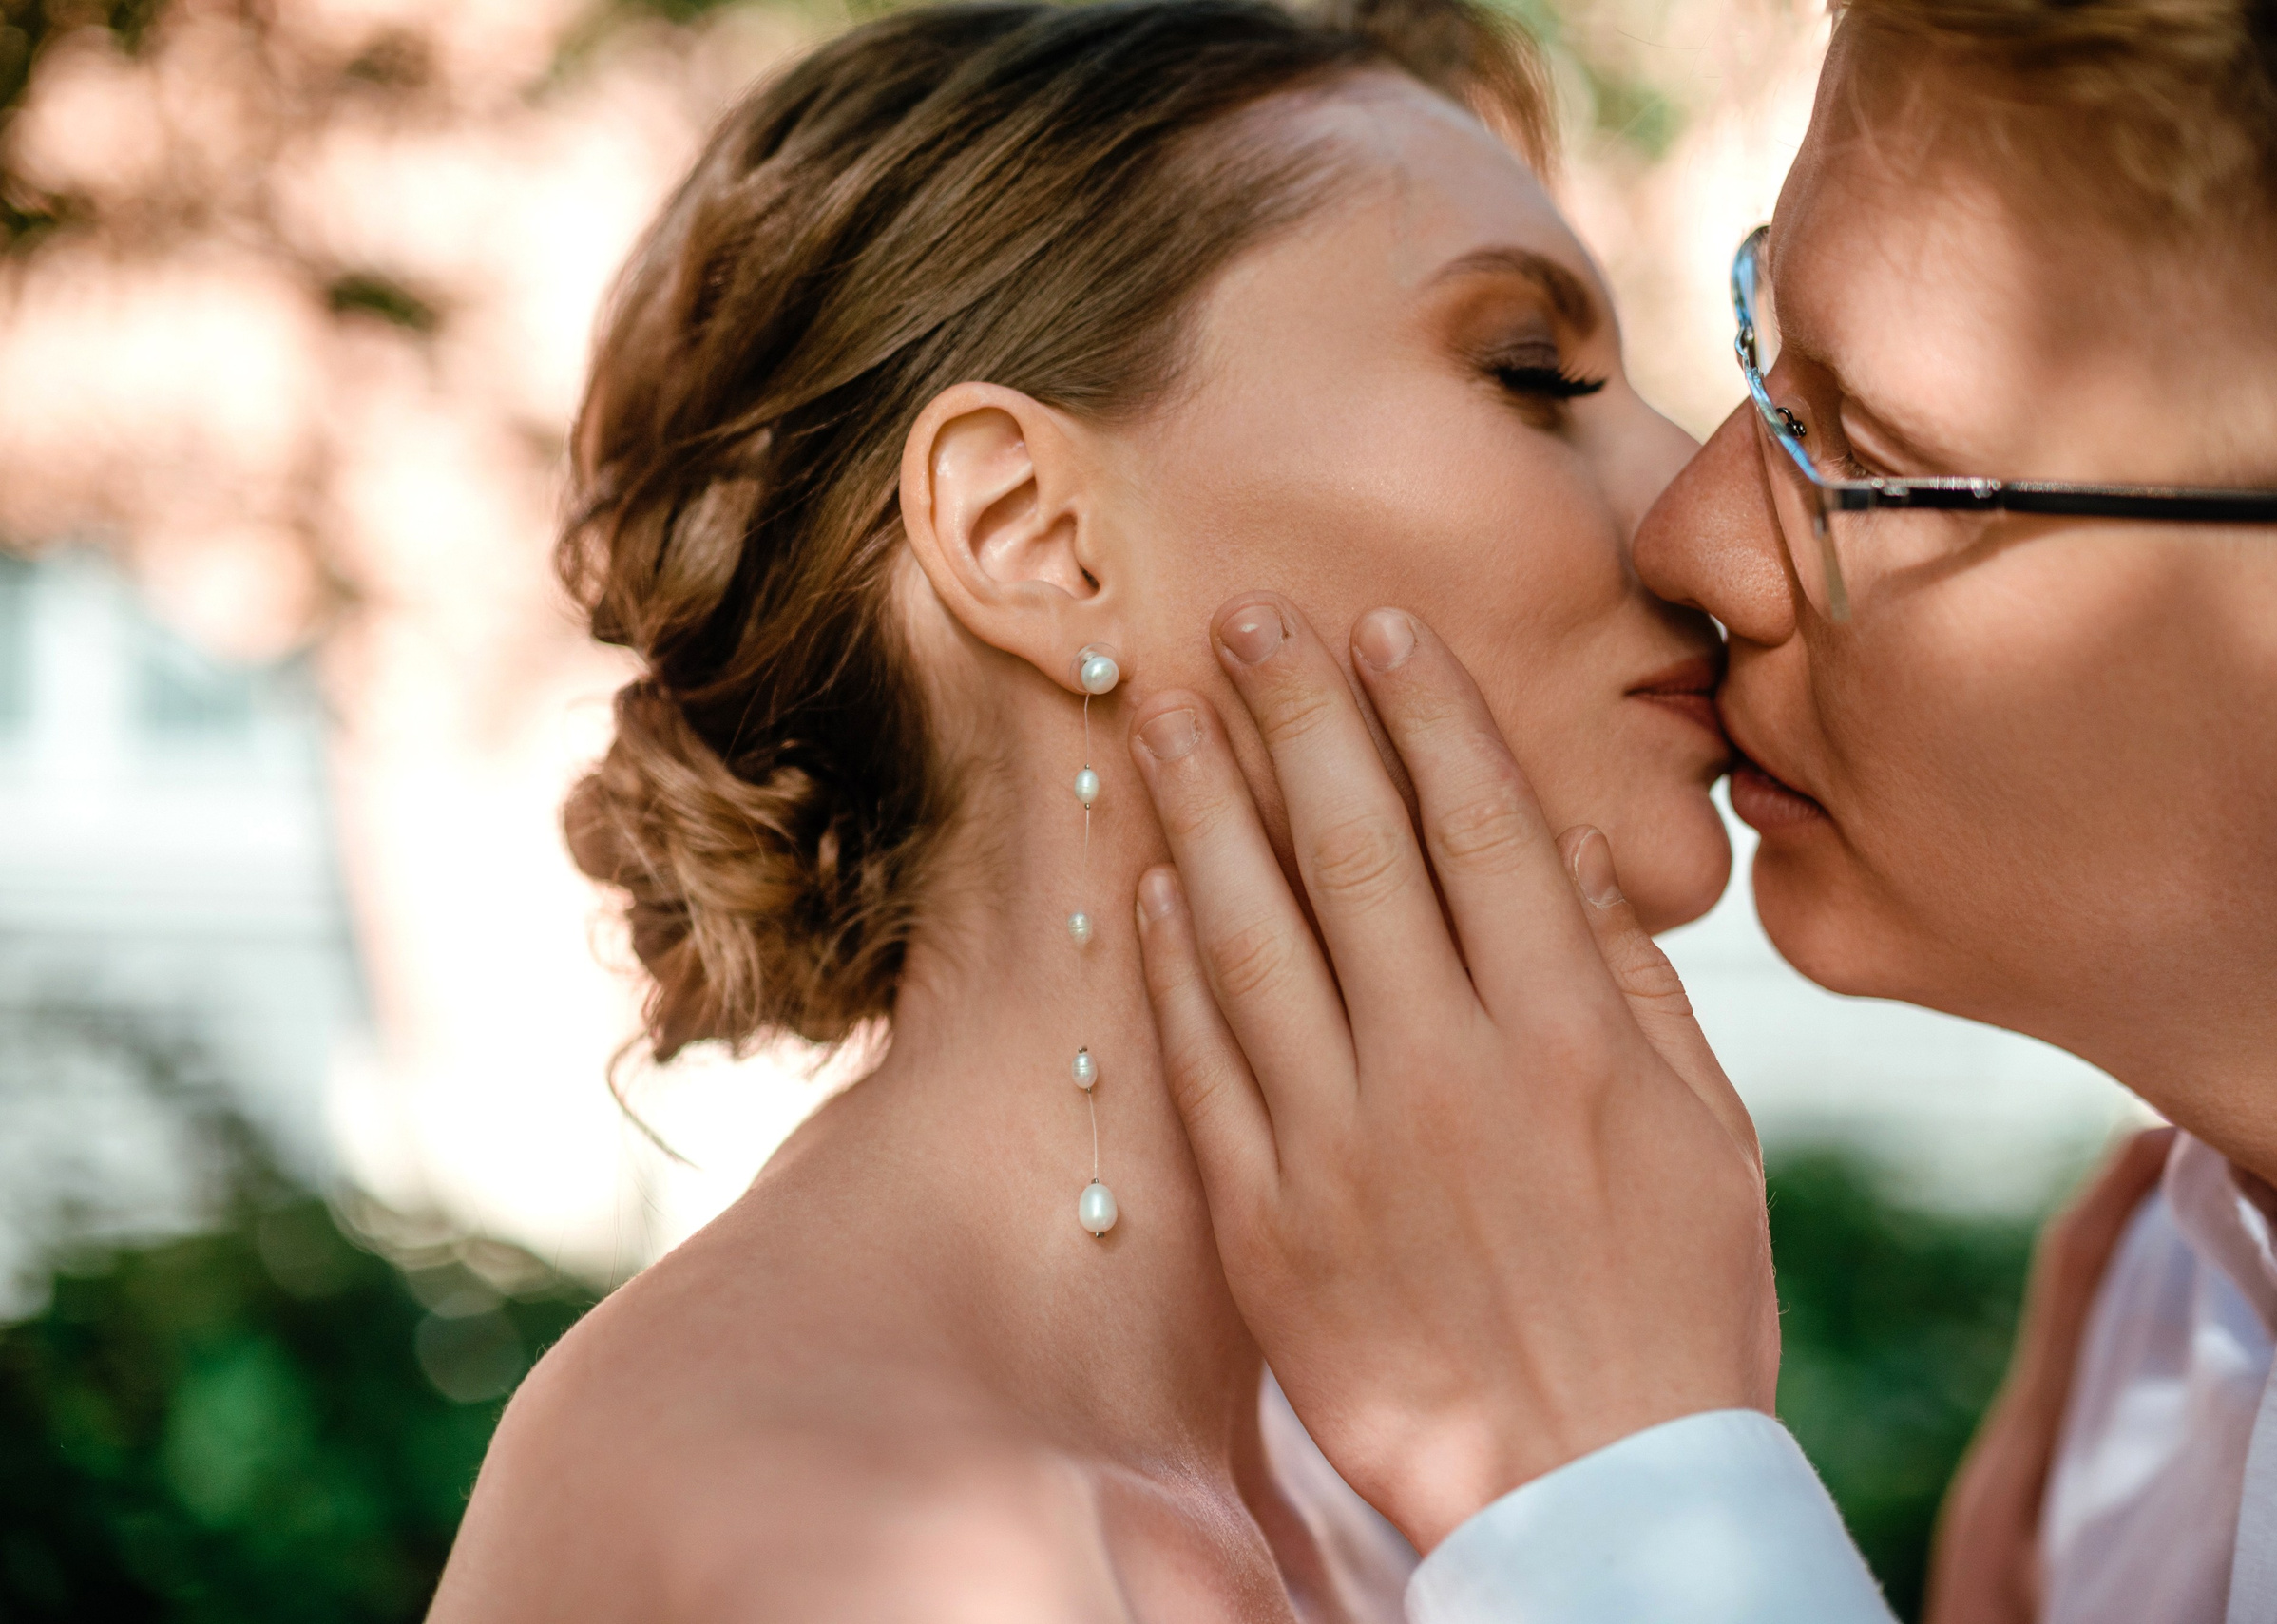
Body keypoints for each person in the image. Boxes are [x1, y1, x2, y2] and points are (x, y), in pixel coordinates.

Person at [427, 0, 1737, 1616]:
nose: (1701, 506)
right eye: (1531, 373)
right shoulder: (862, 1521)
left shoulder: (1334, 1499)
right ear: (1031, 530)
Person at [1127, 0, 2277, 1620]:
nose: (1692, 539)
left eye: (1868, 459)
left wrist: (1612, 1478)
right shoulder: (2175, 1316)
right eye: (1764, 346)